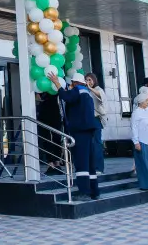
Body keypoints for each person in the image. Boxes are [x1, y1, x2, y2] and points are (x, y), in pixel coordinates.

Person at [49, 71, 102, 199]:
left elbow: (66, 97)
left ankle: (84, 192)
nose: (70, 86)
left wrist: (57, 83)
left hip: (80, 131)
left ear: (74, 83)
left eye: (71, 84)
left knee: (81, 161)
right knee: (89, 163)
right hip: (89, 131)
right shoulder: (87, 93)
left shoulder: (78, 90)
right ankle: (94, 191)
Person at [36, 90, 65, 174]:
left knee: (56, 137)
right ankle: (51, 163)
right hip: (45, 113)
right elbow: (37, 97)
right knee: (47, 139)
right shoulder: (40, 88)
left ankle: (56, 162)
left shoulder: (55, 86)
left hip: (54, 112)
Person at [86, 72, 108, 174]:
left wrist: (90, 88)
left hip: (96, 119)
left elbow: (101, 96)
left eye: (90, 80)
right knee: (89, 144)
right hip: (87, 120)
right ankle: (90, 167)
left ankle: (99, 167)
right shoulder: (85, 90)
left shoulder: (98, 89)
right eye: (86, 80)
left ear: (94, 80)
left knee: (97, 144)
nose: (88, 82)